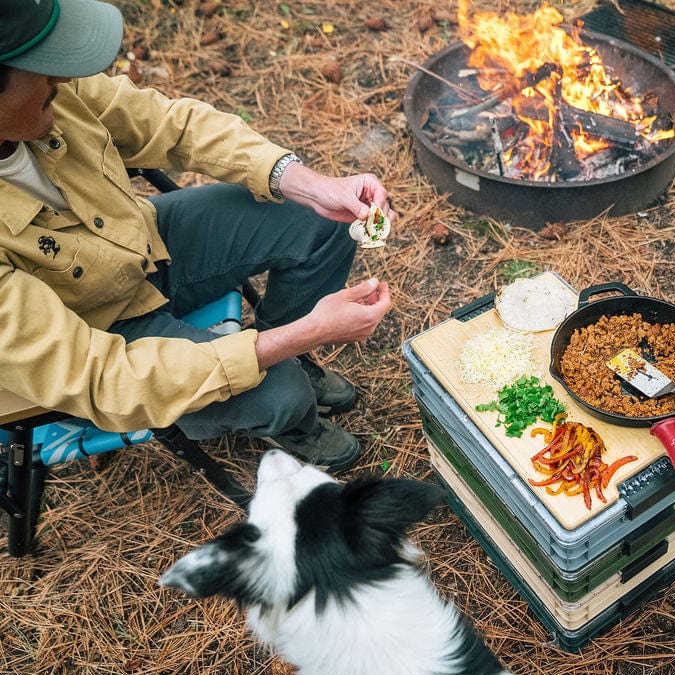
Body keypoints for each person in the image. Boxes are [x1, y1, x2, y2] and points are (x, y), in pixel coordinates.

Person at [0, 0, 396, 473]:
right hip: (100, 329)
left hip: (143, 242)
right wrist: (304, 333)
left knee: (316, 219)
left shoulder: (55, 89)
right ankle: (292, 413)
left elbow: (172, 124)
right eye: (45, 73)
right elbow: (107, 378)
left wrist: (311, 185)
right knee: (283, 394)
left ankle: (286, 354)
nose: (63, 80)